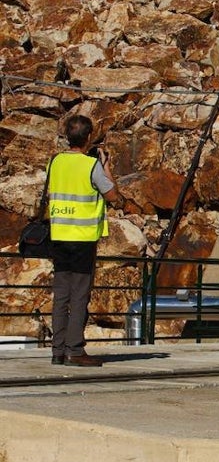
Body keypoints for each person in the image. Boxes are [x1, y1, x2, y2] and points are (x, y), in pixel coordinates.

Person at [47, 114, 125, 367]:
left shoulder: (55, 162)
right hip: (82, 239)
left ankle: (57, 350)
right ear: (89, 137)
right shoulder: (90, 166)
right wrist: (105, 166)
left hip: (58, 235)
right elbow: (112, 195)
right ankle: (75, 350)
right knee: (79, 295)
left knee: (60, 296)